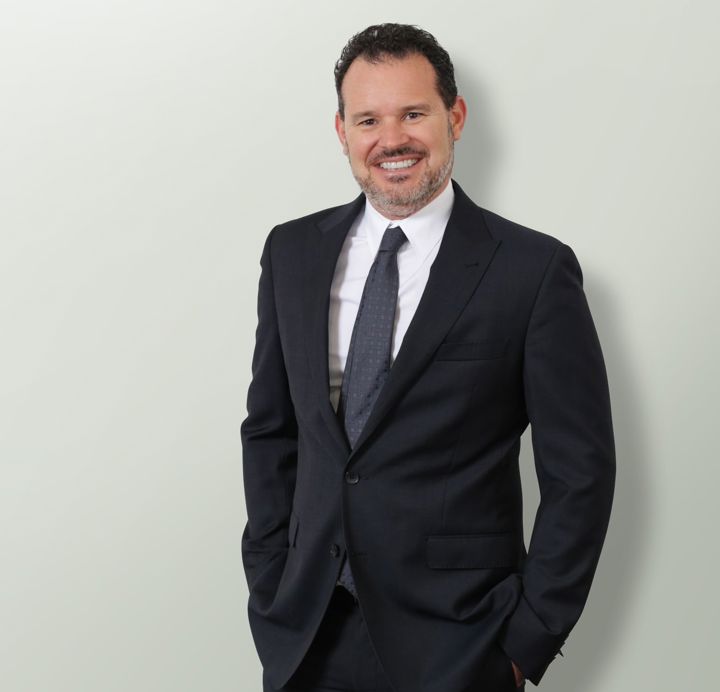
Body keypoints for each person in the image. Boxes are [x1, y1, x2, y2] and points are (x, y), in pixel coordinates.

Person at [241, 23, 615, 692]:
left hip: (461, 642)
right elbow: (272, 431)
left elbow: (580, 472)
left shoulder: (531, 271)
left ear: (455, 117)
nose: (392, 139)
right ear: (342, 131)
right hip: (307, 635)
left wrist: (527, 639)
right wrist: (271, 580)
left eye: (413, 113)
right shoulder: (292, 253)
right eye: (368, 120)